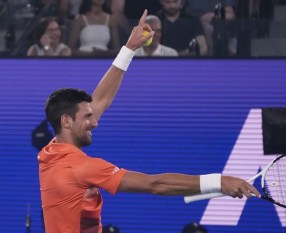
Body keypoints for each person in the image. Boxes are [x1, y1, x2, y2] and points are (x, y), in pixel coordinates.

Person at [38, 10, 260, 233]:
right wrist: (219, 182)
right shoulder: (79, 167)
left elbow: (101, 100)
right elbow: (156, 185)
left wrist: (129, 49)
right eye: (87, 118)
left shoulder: (50, 153)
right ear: (66, 121)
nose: (94, 123)